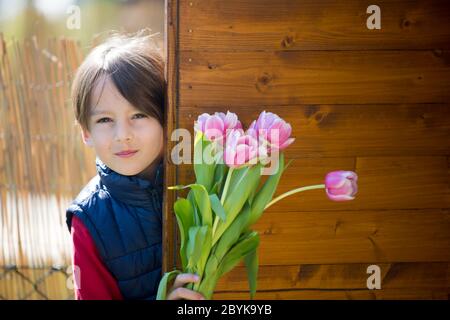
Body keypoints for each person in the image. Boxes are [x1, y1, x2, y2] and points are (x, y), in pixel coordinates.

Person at [66, 31, 204, 300]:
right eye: (105, 120)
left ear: (167, 118)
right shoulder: (88, 220)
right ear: (85, 132)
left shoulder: (202, 184)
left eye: (139, 115)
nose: (122, 135)